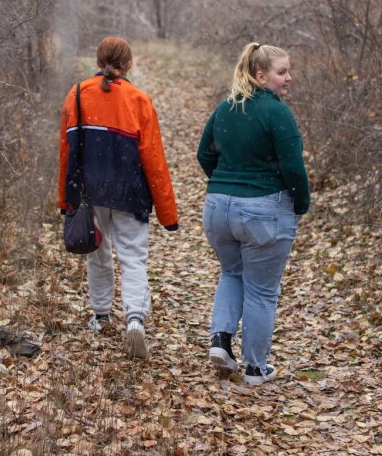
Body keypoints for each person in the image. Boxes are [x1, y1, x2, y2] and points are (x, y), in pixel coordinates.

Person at [58, 36, 179, 359]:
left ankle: (100, 316)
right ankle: (135, 320)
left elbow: (66, 151)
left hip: (90, 189)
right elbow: (153, 159)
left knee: (97, 255)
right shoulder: (139, 100)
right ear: (128, 64)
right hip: (129, 192)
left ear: (99, 62)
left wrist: (64, 198)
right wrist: (168, 214)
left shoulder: (77, 95)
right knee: (133, 257)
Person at [196, 42, 310, 385]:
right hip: (262, 211)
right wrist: (300, 203)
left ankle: (221, 340)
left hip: (218, 209)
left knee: (232, 272)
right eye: (281, 72)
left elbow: (205, 155)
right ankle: (256, 369)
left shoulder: (225, 109)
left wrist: (228, 181)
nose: (288, 78)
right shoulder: (277, 113)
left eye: (289, 71)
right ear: (260, 76)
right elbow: (293, 168)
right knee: (262, 291)